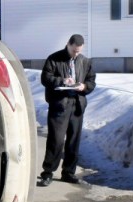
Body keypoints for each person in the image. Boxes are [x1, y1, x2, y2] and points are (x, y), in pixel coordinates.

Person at [39, 34, 96, 187]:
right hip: (59, 104)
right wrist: (62, 81)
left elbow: (91, 80)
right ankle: (48, 172)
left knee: (73, 141)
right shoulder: (54, 58)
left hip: (77, 105)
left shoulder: (85, 61)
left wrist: (84, 87)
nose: (75, 54)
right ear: (68, 45)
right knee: (56, 140)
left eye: (78, 51)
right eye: (73, 50)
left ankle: (68, 172)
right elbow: (45, 78)